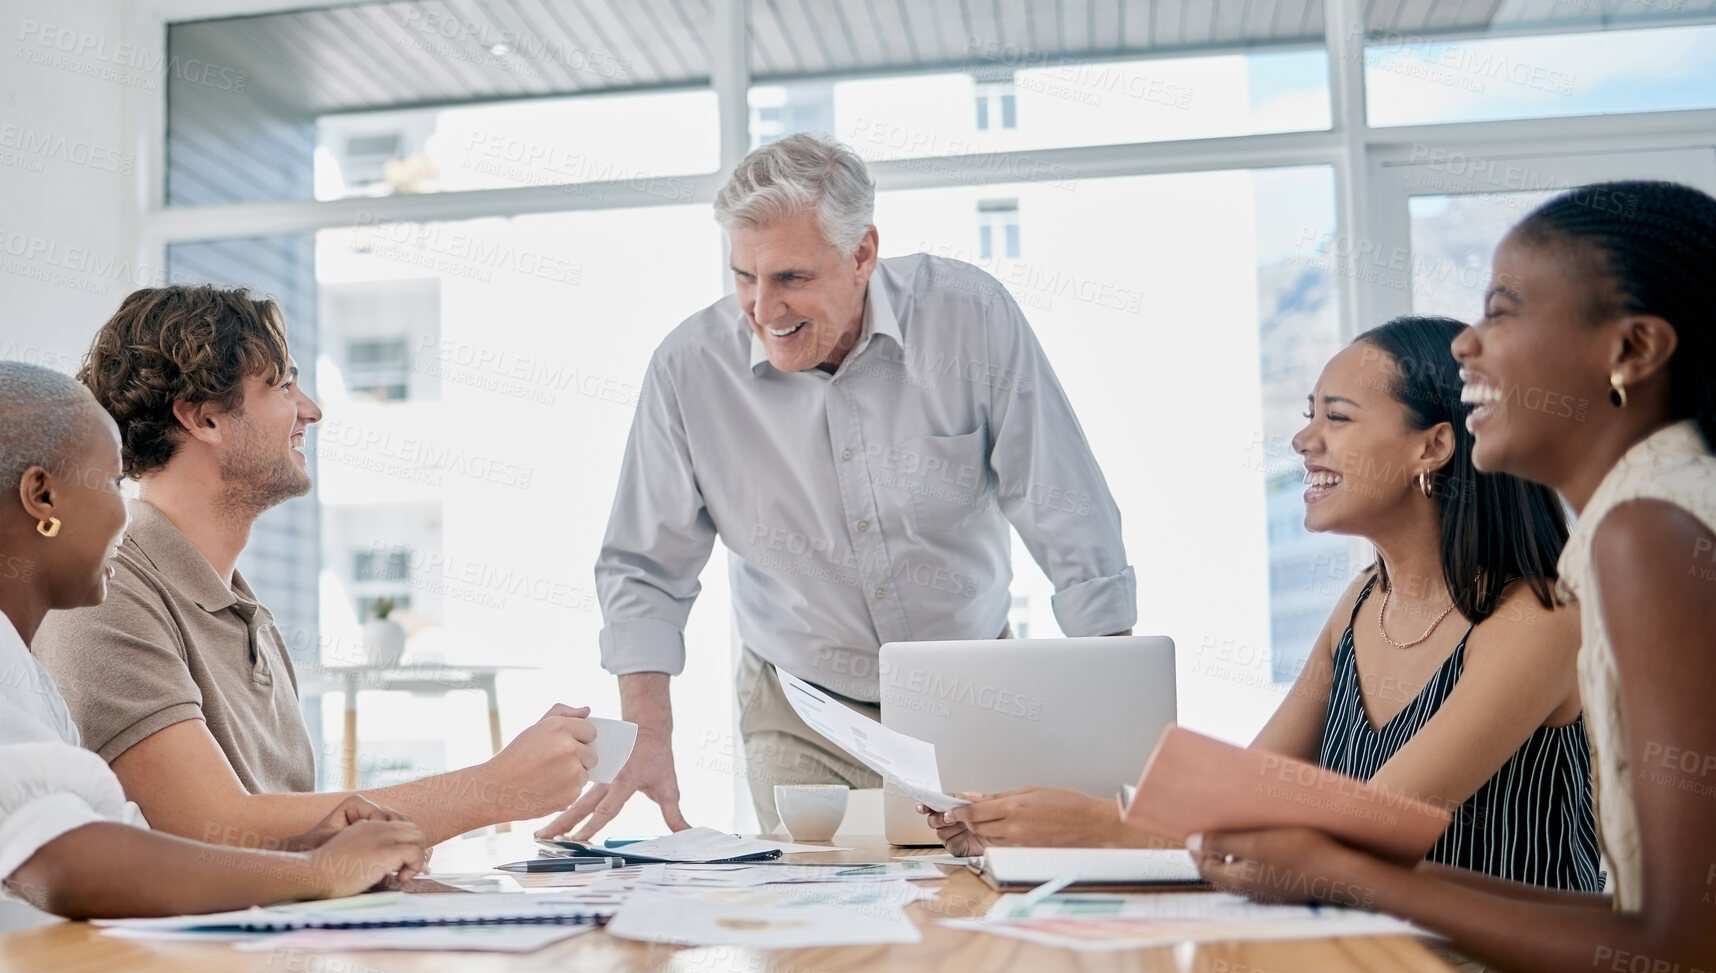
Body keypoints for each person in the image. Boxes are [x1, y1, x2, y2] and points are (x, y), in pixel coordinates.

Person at [1193, 181, 1716, 973]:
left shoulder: (1646, 533)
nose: (1468, 344)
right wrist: (1337, 867)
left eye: (1502, 312)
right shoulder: (1638, 518)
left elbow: (1686, 960)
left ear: (1632, 352)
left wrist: (1358, 875)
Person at [542, 132, 1137, 841]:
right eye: (744, 277)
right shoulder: (688, 371)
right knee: (817, 931)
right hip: (800, 707)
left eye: (791, 278)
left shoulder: (969, 317)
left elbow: (1063, 502)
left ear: (862, 254)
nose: (763, 309)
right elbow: (643, 567)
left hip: (971, 693)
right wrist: (647, 731)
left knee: (975, 920)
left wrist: (1115, 724)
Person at [928, 317, 1599, 899]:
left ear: (1433, 446)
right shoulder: (1364, 604)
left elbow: (1367, 833)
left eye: (1336, 417)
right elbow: (1246, 803)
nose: (1304, 441)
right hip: (1376, 968)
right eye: (1310, 415)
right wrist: (1028, 820)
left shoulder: (1536, 619)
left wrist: (1102, 829)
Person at [33, 287, 597, 848]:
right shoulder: (107, 594)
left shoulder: (249, 616)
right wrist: (496, 789)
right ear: (204, 418)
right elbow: (211, 827)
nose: (312, 410)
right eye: (282, 385)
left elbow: (292, 840)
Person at [0, 361, 427, 919]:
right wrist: (315, 872)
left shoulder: (24, 675)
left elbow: (123, 845)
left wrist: (306, 848)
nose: (124, 517)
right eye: (111, 483)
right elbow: (64, 863)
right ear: (43, 497)